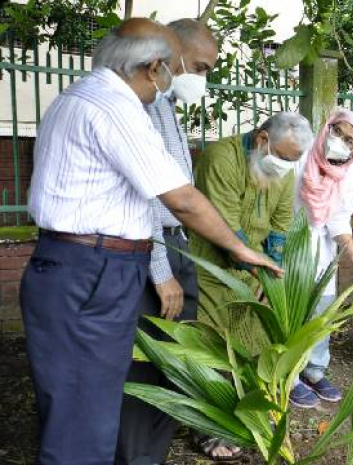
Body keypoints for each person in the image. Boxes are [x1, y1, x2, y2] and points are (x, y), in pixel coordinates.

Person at [20, 19, 279, 465]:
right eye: (174, 71)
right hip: (93, 269)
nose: (170, 83)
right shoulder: (114, 106)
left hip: (80, 265)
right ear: (154, 66)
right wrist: (238, 248)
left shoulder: (77, 97)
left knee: (81, 408)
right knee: (84, 420)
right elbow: (179, 198)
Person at [112, 19, 227, 464]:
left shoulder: (164, 105)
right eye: (199, 66)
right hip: (151, 252)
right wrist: (161, 272)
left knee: (177, 358)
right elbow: (143, 199)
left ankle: (152, 451)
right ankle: (137, 455)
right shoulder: (138, 107)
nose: (202, 77)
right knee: (149, 361)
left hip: (174, 245)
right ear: (171, 55)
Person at [189, 112, 312, 349]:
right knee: (212, 347)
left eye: (292, 162)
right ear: (262, 139)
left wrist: (272, 281)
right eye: (283, 157)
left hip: (254, 272)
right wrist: (267, 276)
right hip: (210, 268)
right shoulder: (222, 157)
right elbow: (226, 227)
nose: (285, 167)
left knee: (257, 345)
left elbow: (281, 223)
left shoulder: (283, 171)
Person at [289, 108, 353, 408]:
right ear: (327, 126)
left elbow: (339, 218)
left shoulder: (352, 171)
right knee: (292, 314)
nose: (339, 141)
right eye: (337, 131)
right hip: (287, 245)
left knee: (322, 314)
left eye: (349, 140)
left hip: (322, 251)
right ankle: (290, 375)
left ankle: (314, 370)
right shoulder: (300, 154)